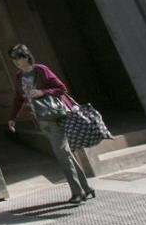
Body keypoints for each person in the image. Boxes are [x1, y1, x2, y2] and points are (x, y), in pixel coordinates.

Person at [6, 43, 94, 204]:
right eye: (13, 60)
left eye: (18, 58)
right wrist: (13, 117)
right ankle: (86, 188)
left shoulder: (40, 70)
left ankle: (77, 193)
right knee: (65, 153)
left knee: (61, 152)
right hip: (40, 119)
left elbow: (61, 88)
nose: (16, 62)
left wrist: (42, 92)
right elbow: (18, 98)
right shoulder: (19, 77)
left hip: (54, 116)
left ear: (26, 56)